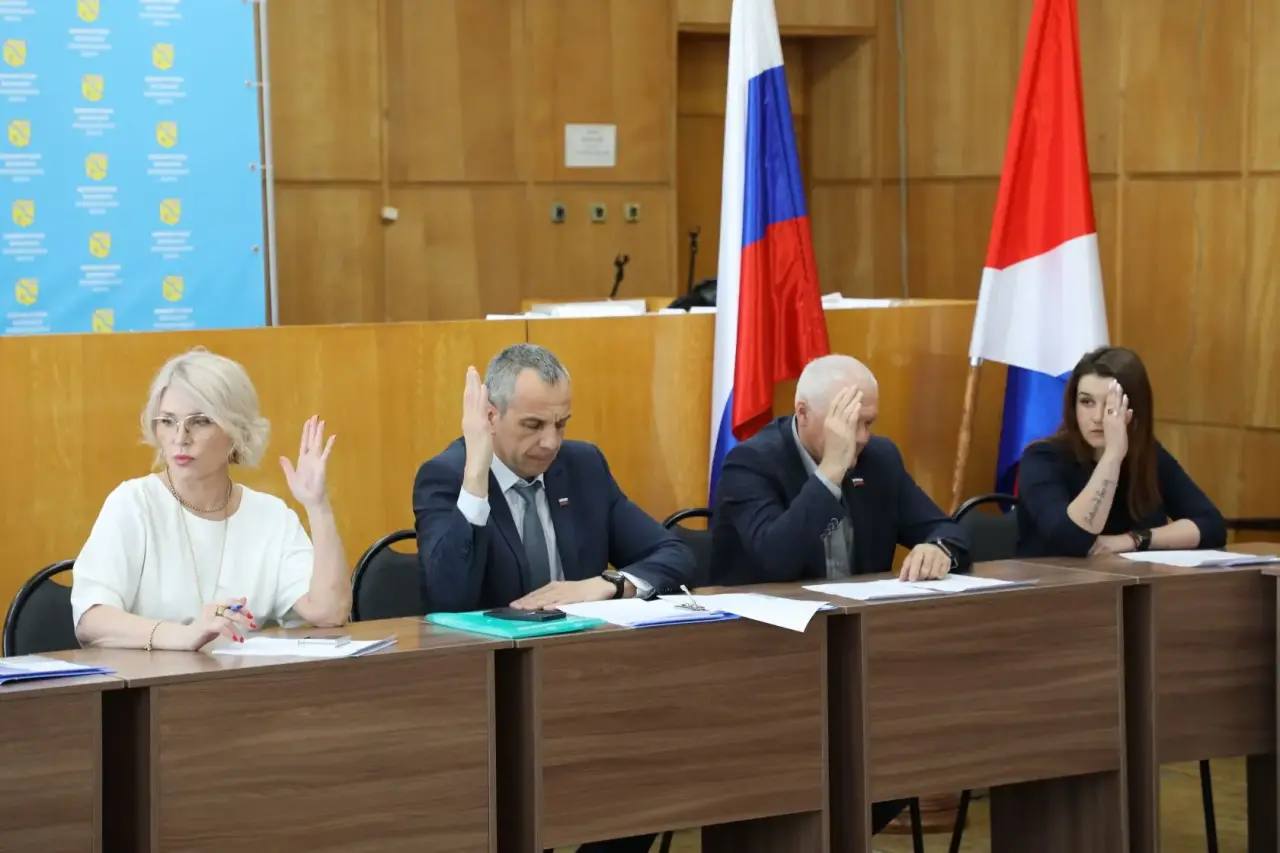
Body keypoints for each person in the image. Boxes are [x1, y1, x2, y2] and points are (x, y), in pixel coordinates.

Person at [72, 348, 350, 651]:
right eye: (167, 421)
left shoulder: (271, 515)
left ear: (236, 431)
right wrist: (184, 635)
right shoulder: (134, 503)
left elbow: (329, 612)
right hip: (150, 679)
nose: (180, 437)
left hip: (241, 677)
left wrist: (318, 506)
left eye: (200, 421)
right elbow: (91, 620)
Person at [413, 343, 694, 614]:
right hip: (493, 646)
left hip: (580, 642)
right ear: (490, 417)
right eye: (533, 425)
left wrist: (609, 584)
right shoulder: (446, 477)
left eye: (560, 424)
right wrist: (476, 476)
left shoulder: (583, 467)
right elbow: (446, 599)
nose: (551, 443)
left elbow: (675, 555)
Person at [711, 354, 971, 586]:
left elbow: (947, 531)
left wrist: (939, 549)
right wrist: (830, 472)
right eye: (847, 422)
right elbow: (776, 560)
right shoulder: (750, 463)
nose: (861, 438)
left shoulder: (879, 458)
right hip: (768, 621)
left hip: (860, 618)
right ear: (803, 413)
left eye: (868, 423)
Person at [1017, 346, 1226, 557]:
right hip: (1051, 577)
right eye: (1086, 402)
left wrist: (1133, 540)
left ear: (1135, 408)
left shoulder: (1147, 455)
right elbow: (1072, 540)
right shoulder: (1042, 458)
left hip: (1129, 576)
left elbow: (1212, 526)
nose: (1098, 417)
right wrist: (1112, 456)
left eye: (1111, 404)